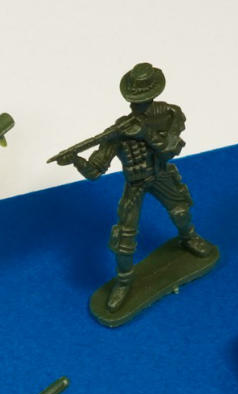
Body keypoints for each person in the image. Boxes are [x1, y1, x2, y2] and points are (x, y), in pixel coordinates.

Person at [51, 62, 215, 313]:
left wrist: (146, 133)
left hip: (160, 174)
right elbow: (95, 172)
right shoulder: (118, 131)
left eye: (143, 97)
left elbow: (171, 149)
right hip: (135, 184)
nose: (137, 103)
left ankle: (189, 238)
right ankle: (123, 282)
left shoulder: (170, 114)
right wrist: (75, 160)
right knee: (124, 238)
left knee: (180, 212)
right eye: (134, 99)